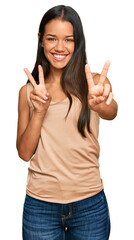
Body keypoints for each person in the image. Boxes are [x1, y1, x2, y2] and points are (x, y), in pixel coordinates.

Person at [16, 5, 118, 240]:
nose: (59, 47)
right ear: (41, 40)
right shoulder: (28, 92)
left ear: (77, 42)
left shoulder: (94, 84)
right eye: (52, 38)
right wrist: (39, 111)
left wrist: (101, 105)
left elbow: (111, 112)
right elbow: (24, 153)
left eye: (68, 40)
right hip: (40, 207)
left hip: (89, 205)